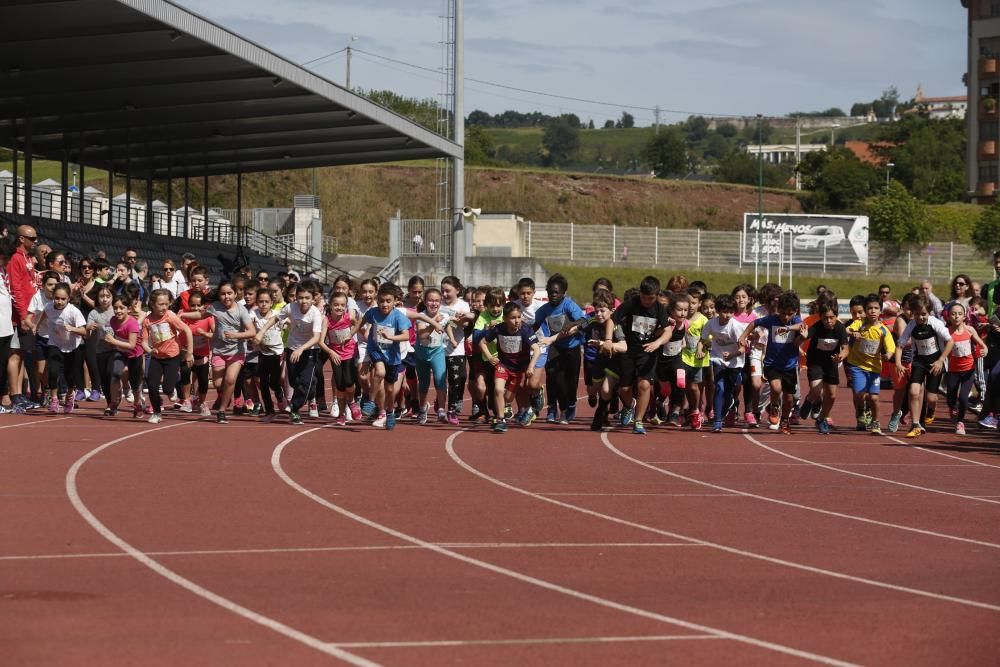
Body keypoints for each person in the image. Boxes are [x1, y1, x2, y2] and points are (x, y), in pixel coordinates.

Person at [738, 291, 807, 435]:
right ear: (778, 310)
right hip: (772, 363)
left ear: (794, 312)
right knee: (776, 388)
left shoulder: (795, 321)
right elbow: (754, 323)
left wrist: (795, 333)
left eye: (789, 314)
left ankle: (785, 421)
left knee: (789, 398)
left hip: (789, 365)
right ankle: (774, 406)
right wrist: (743, 336)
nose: (785, 317)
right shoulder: (771, 320)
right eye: (782, 313)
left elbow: (801, 327)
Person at [613, 275, 674, 435]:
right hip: (628, 350)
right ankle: (628, 406)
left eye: (651, 298)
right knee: (624, 388)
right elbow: (612, 319)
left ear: (657, 295)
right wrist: (608, 339)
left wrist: (657, 343)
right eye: (644, 297)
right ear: (640, 294)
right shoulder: (631, 304)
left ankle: (638, 421)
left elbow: (667, 331)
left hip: (648, 352)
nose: (647, 301)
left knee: (644, 385)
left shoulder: (659, 309)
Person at [892, 296, 951, 438]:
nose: (920, 317)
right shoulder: (911, 325)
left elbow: (950, 341)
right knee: (913, 392)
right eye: (917, 314)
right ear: (913, 313)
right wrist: (898, 363)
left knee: (931, 398)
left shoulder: (935, 323)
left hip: (935, 362)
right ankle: (916, 424)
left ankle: (931, 411)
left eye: (923, 314)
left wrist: (941, 360)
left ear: (929, 312)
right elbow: (900, 345)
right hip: (919, 361)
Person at [479, 301, 542, 432]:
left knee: (508, 398)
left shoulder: (525, 329)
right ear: (505, 319)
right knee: (498, 390)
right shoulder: (499, 328)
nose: (517, 321)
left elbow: (536, 350)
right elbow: (482, 343)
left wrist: (530, 366)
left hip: (519, 369)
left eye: (519, 317)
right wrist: (490, 357)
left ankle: (537, 392)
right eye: (513, 318)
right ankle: (501, 420)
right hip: (503, 365)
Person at [533, 274, 585, 424]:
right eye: (550, 292)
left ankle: (571, 404)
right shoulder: (545, 309)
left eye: (556, 292)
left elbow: (583, 320)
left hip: (572, 347)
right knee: (554, 377)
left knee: (571, 381)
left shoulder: (569, 305)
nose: (553, 295)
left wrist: (572, 325)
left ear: (563, 293)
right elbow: (533, 326)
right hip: (555, 346)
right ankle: (554, 409)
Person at [204, 282, 256, 424]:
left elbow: (252, 331)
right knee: (218, 383)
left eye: (229, 293)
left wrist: (236, 335)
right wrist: (183, 315)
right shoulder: (215, 307)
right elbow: (200, 314)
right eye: (223, 294)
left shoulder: (241, 310)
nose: (226, 297)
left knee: (230, 380)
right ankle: (223, 395)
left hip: (236, 351)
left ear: (235, 294)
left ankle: (221, 411)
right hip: (219, 351)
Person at [844, 294, 896, 435]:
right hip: (857, 366)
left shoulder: (883, 330)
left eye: (876, 308)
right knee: (860, 394)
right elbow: (847, 329)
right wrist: (852, 333)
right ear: (865, 310)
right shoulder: (860, 323)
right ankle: (861, 411)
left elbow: (891, 348)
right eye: (870, 308)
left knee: (873, 397)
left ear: (881, 311)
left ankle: (876, 421)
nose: (873, 311)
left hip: (874, 368)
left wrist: (888, 355)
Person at [141, 288, 194, 424]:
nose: (164, 307)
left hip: (173, 356)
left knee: (167, 388)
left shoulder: (170, 316)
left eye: (166, 304)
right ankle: (157, 413)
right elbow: (144, 342)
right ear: (152, 304)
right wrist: (150, 350)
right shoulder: (147, 321)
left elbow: (187, 330)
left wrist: (189, 353)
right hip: (157, 357)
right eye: (161, 304)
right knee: (152, 385)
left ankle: (172, 390)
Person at [699, 294, 748, 433]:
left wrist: (732, 354)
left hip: (735, 361)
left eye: (731, 312)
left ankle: (730, 403)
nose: (727, 315)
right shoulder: (711, 324)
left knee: (728, 392)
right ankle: (718, 421)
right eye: (725, 312)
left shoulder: (736, 327)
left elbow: (742, 348)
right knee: (718, 387)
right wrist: (701, 350)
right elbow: (703, 340)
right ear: (718, 311)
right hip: (717, 358)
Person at [38, 284, 87, 414]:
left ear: (68, 298)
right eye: (57, 298)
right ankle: (54, 399)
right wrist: (36, 326)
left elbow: (84, 331)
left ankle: (70, 396)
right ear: (53, 297)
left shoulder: (73, 312)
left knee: (70, 375)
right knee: (53, 371)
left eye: (63, 299)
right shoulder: (49, 307)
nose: (59, 302)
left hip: (72, 346)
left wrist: (73, 329)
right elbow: (44, 314)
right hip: (55, 343)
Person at [801, 301, 848, 435]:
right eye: (825, 318)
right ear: (821, 317)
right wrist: (804, 336)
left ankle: (822, 418)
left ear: (836, 316)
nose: (828, 321)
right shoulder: (817, 327)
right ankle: (810, 399)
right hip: (815, 362)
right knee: (817, 391)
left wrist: (841, 356)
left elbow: (846, 348)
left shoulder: (839, 328)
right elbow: (806, 335)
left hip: (831, 364)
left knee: (831, 396)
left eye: (831, 318)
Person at [412, 287, 456, 424]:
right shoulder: (421, 316)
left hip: (437, 351)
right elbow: (422, 335)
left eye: (437, 301)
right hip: (422, 354)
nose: (434, 303)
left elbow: (447, 323)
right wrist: (434, 322)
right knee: (424, 384)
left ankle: (441, 410)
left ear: (440, 302)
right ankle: (422, 409)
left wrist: (452, 339)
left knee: (440, 379)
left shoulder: (444, 314)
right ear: (425, 302)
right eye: (430, 300)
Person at [944, 302, 988, 436]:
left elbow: (981, 344)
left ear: (964, 316)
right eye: (953, 314)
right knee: (950, 397)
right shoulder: (946, 332)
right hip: (953, 370)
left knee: (963, 398)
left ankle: (960, 422)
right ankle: (952, 408)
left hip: (969, 369)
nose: (956, 317)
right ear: (948, 317)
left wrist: (984, 350)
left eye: (959, 314)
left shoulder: (970, 330)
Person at [7, 225, 38, 412]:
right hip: (19, 316)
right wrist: (23, 315)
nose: (35, 241)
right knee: (15, 354)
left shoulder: (27, 258)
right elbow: (15, 289)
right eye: (31, 238)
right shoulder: (16, 259)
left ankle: (19, 394)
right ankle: (15, 395)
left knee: (21, 354)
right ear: (21, 239)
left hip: (28, 314)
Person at [319, 290, 361, 426]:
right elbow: (320, 342)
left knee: (349, 381)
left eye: (342, 305)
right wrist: (331, 352)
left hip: (349, 353)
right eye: (336, 305)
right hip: (335, 354)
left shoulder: (348, 317)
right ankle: (342, 414)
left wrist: (351, 335)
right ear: (330, 305)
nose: (339, 308)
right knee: (340, 385)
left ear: (346, 306)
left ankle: (352, 402)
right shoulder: (327, 320)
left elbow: (358, 323)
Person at [99, 293, 144, 417]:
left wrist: (113, 341)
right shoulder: (113, 320)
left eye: (121, 308)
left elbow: (131, 345)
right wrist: (107, 339)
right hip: (119, 352)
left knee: (135, 382)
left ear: (128, 309)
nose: (118, 311)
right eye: (115, 308)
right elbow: (111, 336)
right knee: (114, 373)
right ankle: (114, 402)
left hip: (134, 355)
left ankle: (137, 403)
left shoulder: (132, 323)